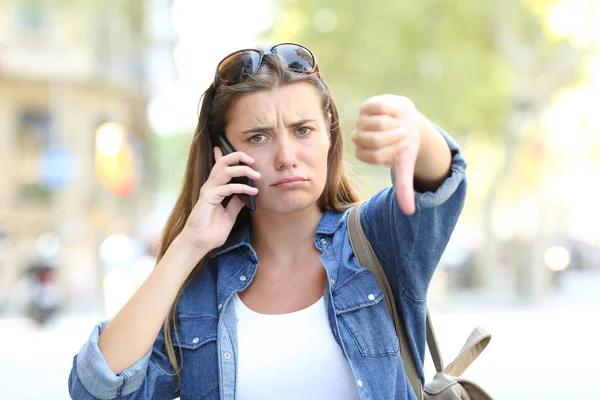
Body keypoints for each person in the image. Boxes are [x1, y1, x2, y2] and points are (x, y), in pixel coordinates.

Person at [68, 42, 467, 400]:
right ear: (223, 154)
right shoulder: (201, 287)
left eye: (303, 130)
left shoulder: (377, 239)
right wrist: (189, 245)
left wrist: (414, 128)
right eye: (258, 137)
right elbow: (98, 389)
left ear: (329, 135)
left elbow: (438, 184)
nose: (286, 155)